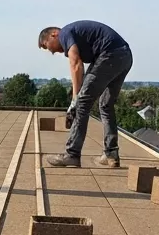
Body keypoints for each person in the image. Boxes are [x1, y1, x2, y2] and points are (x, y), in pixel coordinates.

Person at [38, 20, 133, 167]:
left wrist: (75, 100)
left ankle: (72, 154)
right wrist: (75, 97)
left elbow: (76, 65)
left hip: (109, 55)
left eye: (47, 46)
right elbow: (82, 73)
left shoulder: (65, 34)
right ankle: (111, 154)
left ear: (53, 34)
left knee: (82, 103)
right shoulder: (74, 34)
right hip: (124, 56)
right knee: (106, 105)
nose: (51, 52)